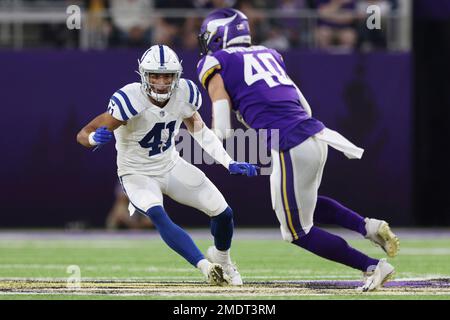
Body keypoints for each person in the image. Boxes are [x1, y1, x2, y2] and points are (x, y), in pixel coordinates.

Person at [196, 8, 399, 292]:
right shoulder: (268, 53)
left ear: (219, 36)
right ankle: (368, 226)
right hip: (317, 134)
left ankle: (372, 266)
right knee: (307, 205)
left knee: (295, 232)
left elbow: (223, 127)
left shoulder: (214, 61)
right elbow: (305, 107)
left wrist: (206, 139)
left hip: (290, 143)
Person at [77, 44, 258, 286]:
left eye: (167, 76)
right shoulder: (129, 99)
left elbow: (200, 130)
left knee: (223, 213)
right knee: (159, 216)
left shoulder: (185, 93)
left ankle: (223, 259)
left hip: (170, 164)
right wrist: (92, 138)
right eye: (155, 75)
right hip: (136, 173)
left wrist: (228, 161)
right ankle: (206, 267)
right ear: (144, 75)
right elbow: (83, 133)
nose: (162, 82)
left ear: (177, 76)